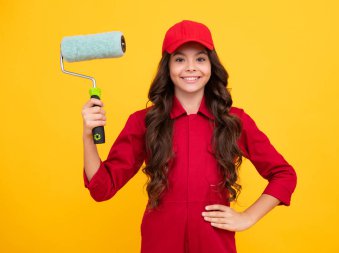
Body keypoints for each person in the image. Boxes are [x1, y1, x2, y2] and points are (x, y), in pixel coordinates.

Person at [81, 20, 297, 253]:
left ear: (211, 65)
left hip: (215, 245)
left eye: (200, 58)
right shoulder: (144, 122)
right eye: (180, 59)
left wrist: (248, 217)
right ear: (168, 67)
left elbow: (284, 175)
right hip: (159, 244)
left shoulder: (235, 121)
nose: (191, 67)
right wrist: (87, 136)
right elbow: (101, 188)